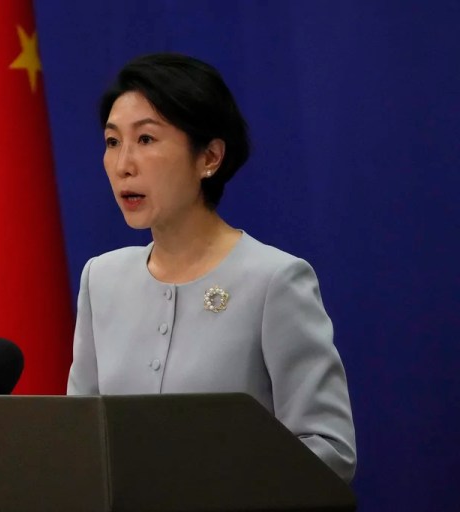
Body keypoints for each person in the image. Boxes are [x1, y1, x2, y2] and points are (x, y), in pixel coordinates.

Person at [66, 53, 356, 483]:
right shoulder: (102, 279)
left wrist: (212, 480)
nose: (124, 163)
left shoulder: (273, 280)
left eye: (146, 140)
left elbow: (329, 451)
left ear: (210, 157)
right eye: (112, 142)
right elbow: (79, 438)